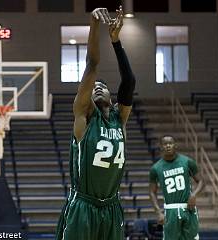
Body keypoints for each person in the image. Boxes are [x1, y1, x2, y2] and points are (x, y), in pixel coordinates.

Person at [55, 5, 136, 240]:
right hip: (83, 206)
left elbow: (129, 80)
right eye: (95, 87)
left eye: (104, 86)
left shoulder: (119, 119)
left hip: (111, 207)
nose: (98, 87)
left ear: (112, 98)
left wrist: (116, 41)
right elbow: (92, 64)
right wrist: (94, 25)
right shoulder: (84, 118)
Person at [149, 135, 204, 240]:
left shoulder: (187, 162)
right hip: (171, 210)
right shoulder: (156, 168)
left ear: (176, 145)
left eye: (170, 143)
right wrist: (158, 212)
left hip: (188, 208)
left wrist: (194, 195)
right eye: (165, 144)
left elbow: (201, 181)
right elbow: (152, 192)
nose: (168, 146)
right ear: (161, 147)